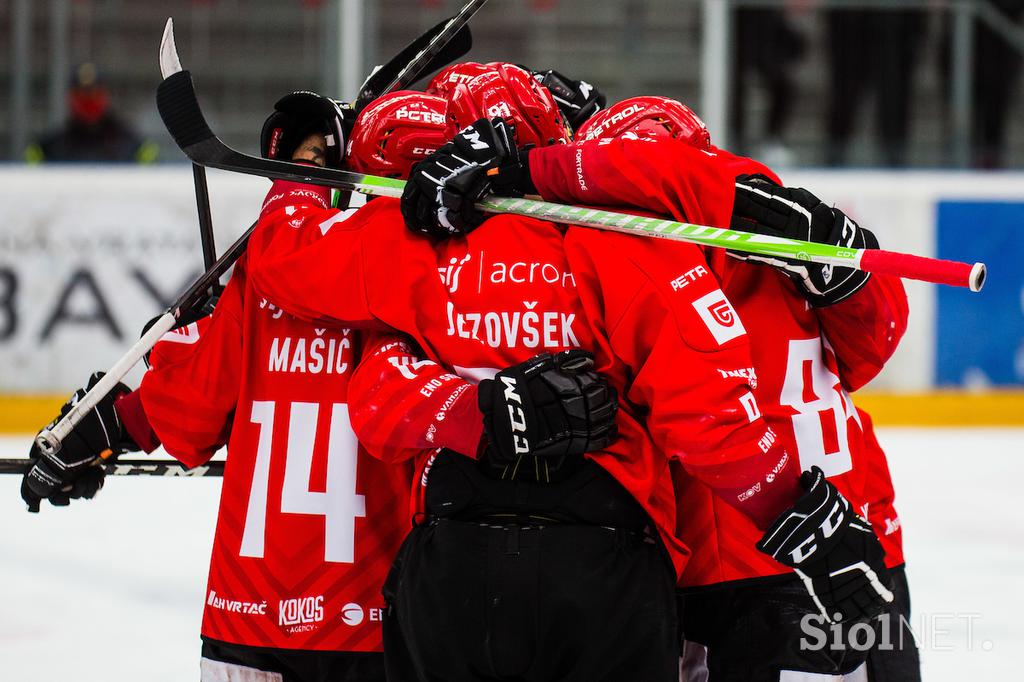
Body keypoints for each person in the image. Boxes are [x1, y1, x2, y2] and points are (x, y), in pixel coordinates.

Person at [244, 64, 892, 681]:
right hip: (606, 564)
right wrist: (804, 516)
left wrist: (304, 168)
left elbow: (288, 266)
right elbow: (708, 417)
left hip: (450, 560)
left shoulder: (413, 237)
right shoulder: (628, 243)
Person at [416, 93, 920, 680]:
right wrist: (852, 269)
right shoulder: (768, 229)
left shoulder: (644, 249)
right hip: (849, 545)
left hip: (755, 562)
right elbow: (872, 349)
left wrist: (526, 163)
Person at [25, 62, 158, 164]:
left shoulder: (134, 148)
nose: (88, 100)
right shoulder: (47, 150)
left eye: (93, 94)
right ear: (71, 98)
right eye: (82, 95)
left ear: (104, 96)